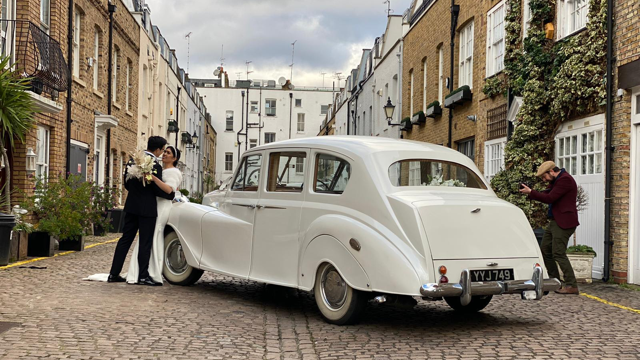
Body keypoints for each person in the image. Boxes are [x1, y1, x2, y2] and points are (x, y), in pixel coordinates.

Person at [107, 136, 175, 286]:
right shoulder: (154, 166)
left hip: (131, 206)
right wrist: (171, 195)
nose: (162, 153)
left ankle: (113, 273)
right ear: (157, 149)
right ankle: (143, 276)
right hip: (147, 209)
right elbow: (157, 189)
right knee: (145, 242)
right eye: (162, 150)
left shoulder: (132, 161)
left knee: (125, 240)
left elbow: (126, 184)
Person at [519, 161, 580, 295]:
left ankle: (572, 285)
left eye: (544, 176)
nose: (544, 179)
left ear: (551, 171)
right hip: (555, 221)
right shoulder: (557, 181)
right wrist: (531, 192)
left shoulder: (565, 180)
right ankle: (555, 281)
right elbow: (547, 192)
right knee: (545, 249)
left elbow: (550, 198)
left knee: (558, 252)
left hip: (564, 222)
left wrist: (531, 192)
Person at [125, 146, 182, 284]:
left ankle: (153, 272)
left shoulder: (174, 172)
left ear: (174, 158)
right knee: (146, 238)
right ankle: (141, 271)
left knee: (154, 235)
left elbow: (169, 190)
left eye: (168, 153)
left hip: (162, 207)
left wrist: (154, 178)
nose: (164, 154)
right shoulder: (164, 169)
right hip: (154, 204)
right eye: (165, 152)